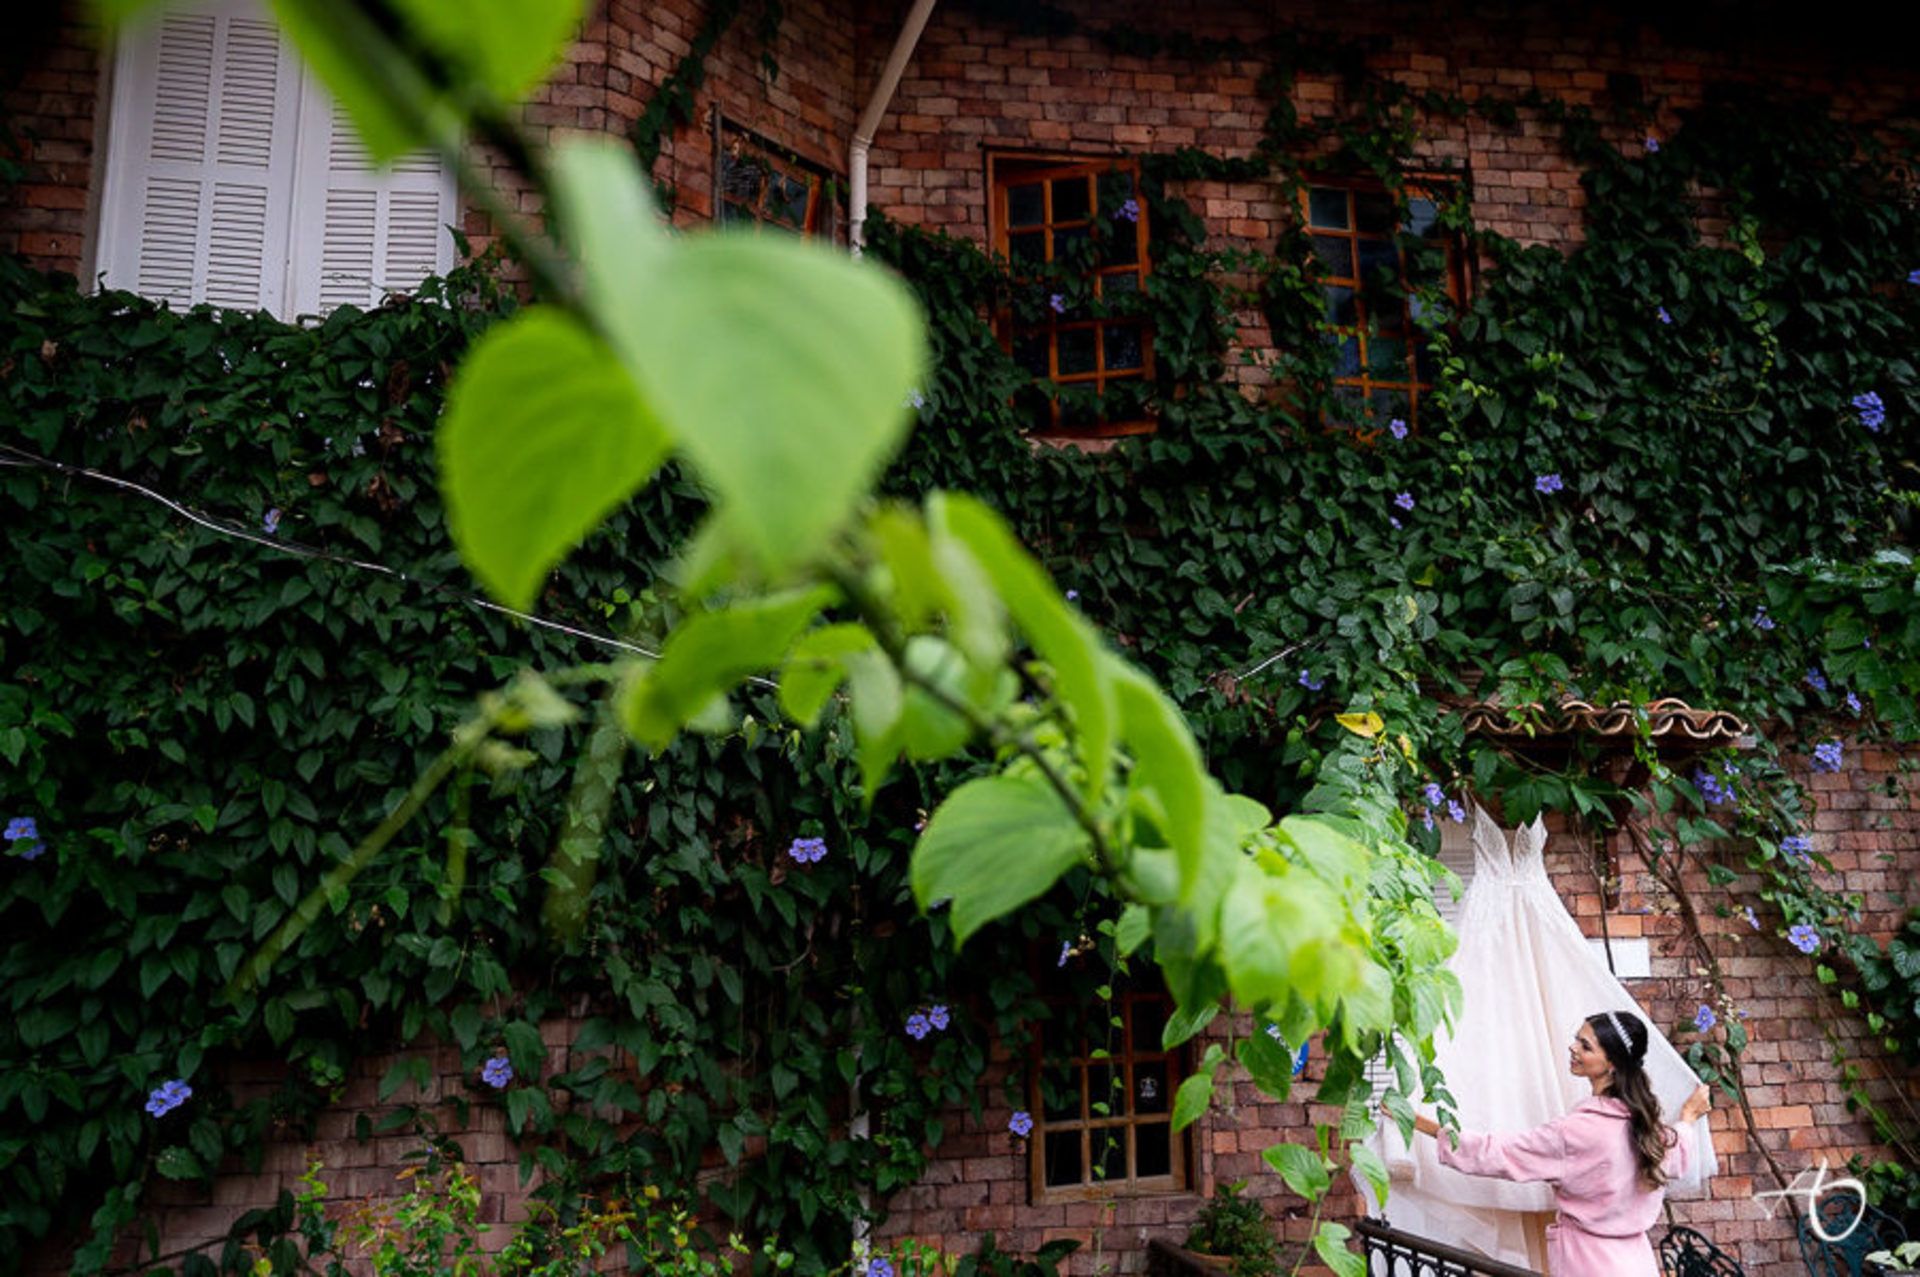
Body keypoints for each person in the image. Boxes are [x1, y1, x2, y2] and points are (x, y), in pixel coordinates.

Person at [1392, 1009, 1713, 1277]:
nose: (1573, 1048)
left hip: (1586, 1264)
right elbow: (1679, 1152)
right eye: (1577, 1039)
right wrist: (1688, 1115)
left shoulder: (1576, 1133)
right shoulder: (1646, 1127)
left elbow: (1500, 1153)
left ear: (1611, 1063)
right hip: (1636, 1264)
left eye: (1585, 1046)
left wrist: (1421, 1123)